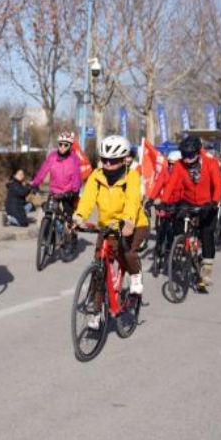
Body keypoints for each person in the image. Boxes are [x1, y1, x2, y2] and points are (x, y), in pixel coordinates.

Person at [72, 135, 149, 329]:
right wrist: (79, 216)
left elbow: (132, 200)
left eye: (112, 161)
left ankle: (135, 276)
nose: (107, 164)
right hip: (107, 226)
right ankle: (96, 310)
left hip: (134, 223)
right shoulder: (96, 176)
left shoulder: (131, 177)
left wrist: (129, 220)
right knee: (99, 268)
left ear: (123, 159)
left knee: (127, 252)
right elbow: (88, 199)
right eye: (104, 159)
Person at [159, 135, 221, 289]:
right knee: (177, 218)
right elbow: (171, 184)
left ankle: (206, 271)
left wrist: (214, 201)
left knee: (207, 234)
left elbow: (218, 184)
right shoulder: (179, 165)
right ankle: (181, 245)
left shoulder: (211, 163)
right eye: (184, 155)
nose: (187, 159)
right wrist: (164, 202)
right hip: (187, 201)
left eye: (190, 155)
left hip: (208, 203)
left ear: (198, 152)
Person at [147, 149, 181, 261]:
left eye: (173, 164)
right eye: (169, 164)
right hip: (166, 202)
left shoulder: (184, 174)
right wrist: (151, 199)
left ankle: (178, 245)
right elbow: (158, 185)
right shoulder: (165, 171)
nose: (170, 166)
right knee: (163, 225)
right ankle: (162, 246)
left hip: (180, 203)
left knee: (177, 227)